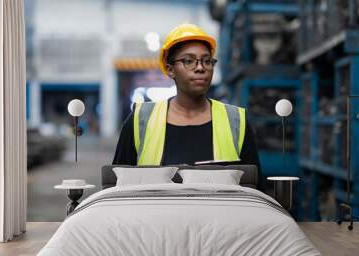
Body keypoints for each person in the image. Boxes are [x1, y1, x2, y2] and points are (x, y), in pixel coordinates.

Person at [112, 23, 264, 191]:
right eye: (188, 61)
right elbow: (117, 187)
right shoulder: (140, 120)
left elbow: (254, 188)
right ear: (170, 70)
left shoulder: (236, 121)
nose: (200, 68)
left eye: (207, 61)